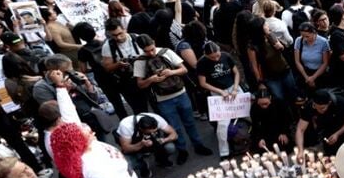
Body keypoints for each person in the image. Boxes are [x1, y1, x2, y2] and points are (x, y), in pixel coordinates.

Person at [132, 34, 211, 163]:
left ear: (154, 42)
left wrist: (171, 72)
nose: (151, 53)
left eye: (152, 49)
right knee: (175, 126)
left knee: (190, 122)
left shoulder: (166, 52)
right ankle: (182, 150)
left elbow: (184, 69)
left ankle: (198, 145)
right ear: (141, 49)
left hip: (181, 93)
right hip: (163, 99)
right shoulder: (140, 62)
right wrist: (151, 79)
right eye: (147, 51)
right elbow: (140, 84)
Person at [196, 42, 242, 160]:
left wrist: (236, 88)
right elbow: (203, 83)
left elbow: (236, 72)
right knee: (222, 124)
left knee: (247, 113)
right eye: (212, 57)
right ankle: (224, 152)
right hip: (217, 93)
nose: (216, 59)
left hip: (233, 87)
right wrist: (220, 91)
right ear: (206, 55)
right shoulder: (202, 63)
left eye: (217, 55)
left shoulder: (226, 56)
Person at [100, 18, 148, 115]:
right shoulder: (108, 46)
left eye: (120, 33)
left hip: (146, 75)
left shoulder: (136, 38)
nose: (118, 38)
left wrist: (141, 59)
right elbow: (107, 68)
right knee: (140, 111)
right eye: (114, 35)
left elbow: (151, 52)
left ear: (124, 29)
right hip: (128, 82)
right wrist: (118, 64)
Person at [295, 89, 344, 156]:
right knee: (330, 153)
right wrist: (300, 150)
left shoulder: (341, 103)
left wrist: (337, 134)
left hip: (341, 127)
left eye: (322, 108)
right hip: (325, 128)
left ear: (329, 103)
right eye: (315, 107)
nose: (318, 110)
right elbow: (300, 129)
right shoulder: (310, 106)